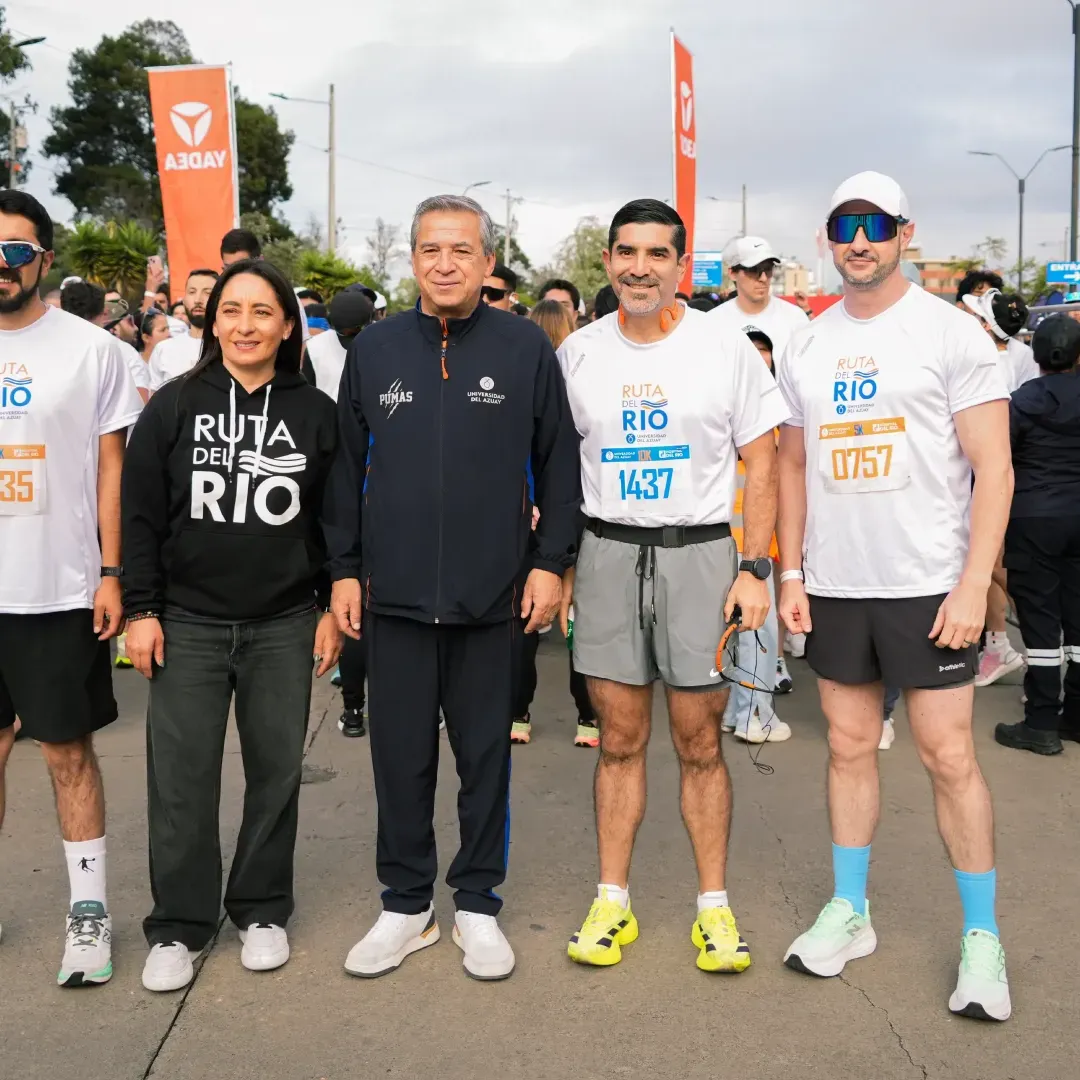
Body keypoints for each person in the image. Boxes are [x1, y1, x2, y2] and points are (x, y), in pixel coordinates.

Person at [776, 171, 1014, 1021]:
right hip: (837, 583)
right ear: (827, 239)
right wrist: (791, 573)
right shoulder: (807, 339)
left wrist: (974, 585)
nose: (860, 241)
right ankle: (852, 911)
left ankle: (982, 940)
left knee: (949, 757)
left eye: (875, 225)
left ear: (904, 233)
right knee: (846, 747)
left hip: (929, 585)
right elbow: (795, 465)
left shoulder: (950, 334)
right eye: (846, 226)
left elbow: (995, 470)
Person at [327, 193, 580, 982]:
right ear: (411, 261)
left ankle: (476, 905)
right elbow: (342, 470)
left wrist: (549, 561)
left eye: (462, 251)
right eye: (432, 250)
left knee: (485, 761)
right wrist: (341, 570)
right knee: (400, 761)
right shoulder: (373, 350)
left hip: (495, 596)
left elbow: (561, 463)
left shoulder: (524, 349)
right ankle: (405, 907)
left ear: (487, 262)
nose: (446, 263)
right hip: (392, 597)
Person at [557, 199, 786, 972]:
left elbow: (765, 461)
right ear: (608, 261)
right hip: (608, 553)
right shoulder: (579, 353)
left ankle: (713, 910)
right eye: (626, 252)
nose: (640, 267)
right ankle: (612, 902)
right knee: (618, 740)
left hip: (700, 557)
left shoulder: (724, 348)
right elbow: (558, 469)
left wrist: (756, 569)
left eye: (658, 253)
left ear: (681, 266)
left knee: (700, 743)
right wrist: (559, 567)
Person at [121, 259, 341, 992]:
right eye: (231, 311)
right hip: (186, 624)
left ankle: (261, 910)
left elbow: (335, 520)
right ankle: (179, 926)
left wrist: (330, 605)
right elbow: (142, 516)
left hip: (283, 623)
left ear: (287, 325)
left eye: (262, 312)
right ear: (212, 323)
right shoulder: (175, 405)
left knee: (276, 773)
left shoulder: (316, 412)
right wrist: (142, 609)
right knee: (181, 781)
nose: (245, 325)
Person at [0, 189, 143, 985]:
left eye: (16, 251)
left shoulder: (93, 351)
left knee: (67, 753)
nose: (2, 264)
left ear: (44, 260)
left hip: (56, 589)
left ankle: (88, 916)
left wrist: (113, 572)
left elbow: (112, 472)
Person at [711, 236, 810, 677]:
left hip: (785, 436)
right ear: (732, 274)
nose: (763, 277)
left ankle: (777, 657)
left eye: (768, 268)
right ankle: (732, 656)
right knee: (739, 551)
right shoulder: (712, 323)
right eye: (752, 270)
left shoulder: (794, 319)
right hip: (731, 447)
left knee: (784, 542)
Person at [509, 299, 600, 749]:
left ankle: (518, 714)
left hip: (533, 510)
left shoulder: (521, 374)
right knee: (575, 614)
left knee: (527, 616)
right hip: (584, 507)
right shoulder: (586, 375)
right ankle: (588, 718)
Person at [994, 315, 1080, 754]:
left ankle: (1042, 723)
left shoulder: (1019, 402)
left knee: (1042, 624)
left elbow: (998, 466)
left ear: (1036, 354)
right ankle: (1078, 716)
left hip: (1032, 520)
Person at [960, 287, 1035, 689]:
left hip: (987, 472)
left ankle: (1035, 616)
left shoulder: (984, 359)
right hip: (1004, 469)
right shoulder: (1020, 354)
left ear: (988, 326)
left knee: (988, 561)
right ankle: (997, 644)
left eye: (976, 315)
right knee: (987, 563)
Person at [722, 329, 791, 743]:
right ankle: (755, 714)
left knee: (737, 630)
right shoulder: (763, 419)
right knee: (756, 631)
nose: (758, 358)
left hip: (741, 541)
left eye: (763, 351)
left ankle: (738, 710)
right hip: (746, 544)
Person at [60, 280, 151, 405]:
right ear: (105, 312)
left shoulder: (50, 350)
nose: (135, 328)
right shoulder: (124, 352)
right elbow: (141, 404)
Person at [149, 269, 219, 388]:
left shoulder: (230, 349)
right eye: (192, 292)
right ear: (184, 299)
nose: (198, 300)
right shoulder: (164, 349)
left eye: (207, 293)